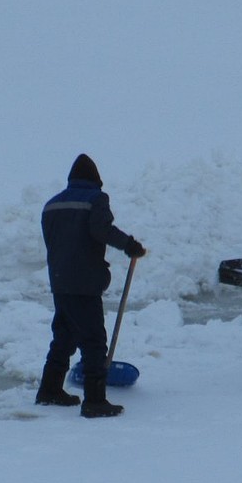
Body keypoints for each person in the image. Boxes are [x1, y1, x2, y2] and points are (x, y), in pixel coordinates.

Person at [38, 153, 146, 418]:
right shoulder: (96, 199)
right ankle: (95, 401)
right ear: (95, 181)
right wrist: (129, 245)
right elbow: (101, 230)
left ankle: (49, 390)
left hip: (60, 282)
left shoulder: (51, 205)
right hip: (84, 282)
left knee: (64, 336)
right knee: (94, 340)